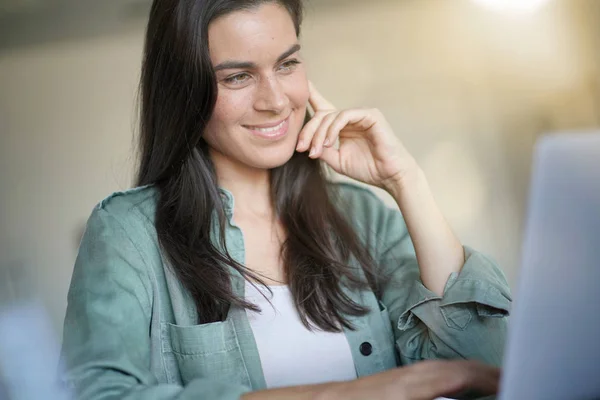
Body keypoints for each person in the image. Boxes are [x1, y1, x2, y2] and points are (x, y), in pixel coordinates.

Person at [60, 0, 512, 399]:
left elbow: (483, 364)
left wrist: (406, 180)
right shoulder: (127, 232)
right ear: (185, 91)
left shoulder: (362, 217)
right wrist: (357, 394)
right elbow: (101, 393)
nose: (275, 101)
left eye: (287, 64)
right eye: (238, 77)